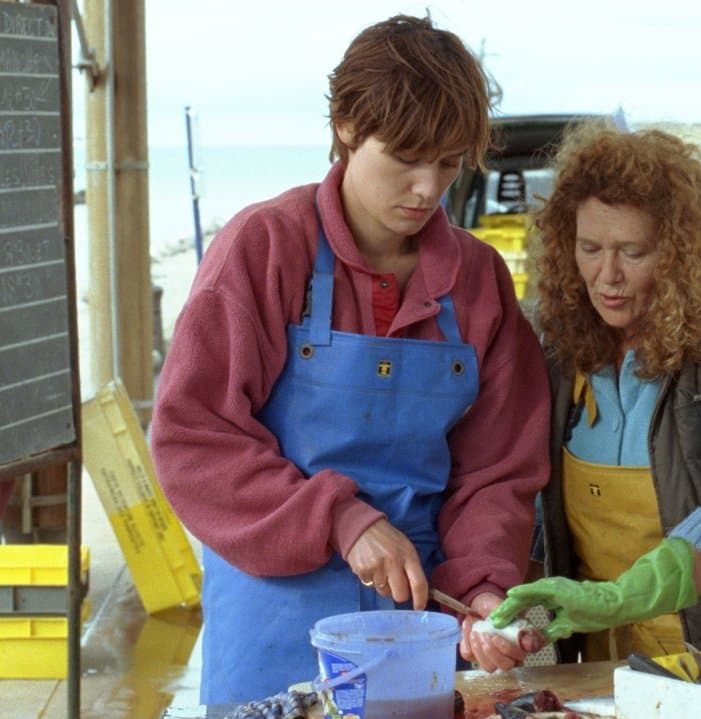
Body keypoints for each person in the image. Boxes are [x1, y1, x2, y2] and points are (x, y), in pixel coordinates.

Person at [149, 15, 550, 703]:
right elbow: (194, 439)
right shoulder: (264, 248)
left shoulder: (480, 282)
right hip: (272, 630)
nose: (428, 188)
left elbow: (497, 470)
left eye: (449, 163)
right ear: (344, 125)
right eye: (405, 157)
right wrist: (340, 517)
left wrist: (484, 588)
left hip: (418, 633)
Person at [482, 124, 701, 666]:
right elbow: (531, 513)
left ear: (681, 254)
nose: (607, 276)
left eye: (633, 252)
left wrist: (620, 599)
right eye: (590, 248)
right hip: (604, 676)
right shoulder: (560, 352)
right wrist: (519, 622)